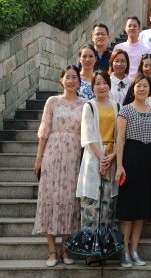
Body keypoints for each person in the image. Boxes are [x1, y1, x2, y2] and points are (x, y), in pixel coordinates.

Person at [33, 66, 86, 267]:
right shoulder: (52, 101)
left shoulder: (85, 104)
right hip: (52, 154)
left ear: (79, 81)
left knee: (69, 201)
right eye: (67, 77)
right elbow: (44, 130)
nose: (71, 81)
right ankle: (52, 251)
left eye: (74, 77)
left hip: (74, 156)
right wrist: (39, 158)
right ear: (61, 80)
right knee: (50, 198)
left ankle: (65, 250)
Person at [115, 74, 151, 268]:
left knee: (142, 208)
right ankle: (124, 251)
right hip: (130, 160)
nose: (142, 89)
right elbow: (120, 139)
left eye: (145, 86)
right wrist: (119, 165)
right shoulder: (125, 110)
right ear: (133, 89)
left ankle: (134, 249)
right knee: (128, 208)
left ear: (149, 90)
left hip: (148, 163)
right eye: (139, 86)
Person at [76, 70, 120, 267]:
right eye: (97, 83)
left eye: (104, 83)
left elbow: (120, 136)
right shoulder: (89, 106)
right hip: (94, 158)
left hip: (111, 158)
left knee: (107, 206)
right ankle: (89, 252)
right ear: (92, 86)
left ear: (109, 85)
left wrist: (112, 157)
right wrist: (102, 158)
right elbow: (88, 135)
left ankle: (102, 250)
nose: (101, 87)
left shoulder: (117, 106)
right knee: (92, 205)